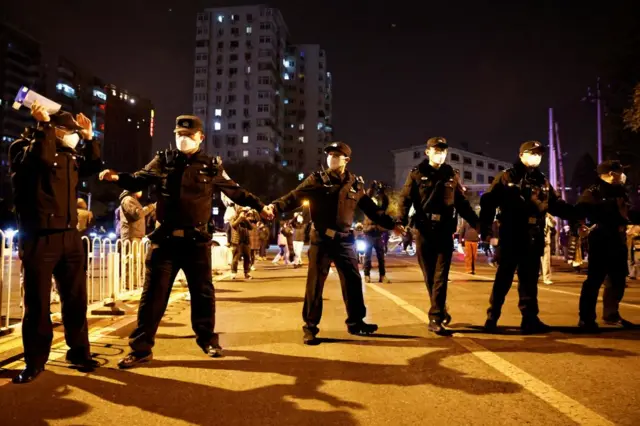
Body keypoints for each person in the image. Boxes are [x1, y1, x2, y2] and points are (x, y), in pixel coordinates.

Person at [99, 115, 273, 368]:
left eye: (189, 136)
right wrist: (116, 177)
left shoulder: (212, 165)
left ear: (200, 138)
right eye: (179, 134)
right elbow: (139, 178)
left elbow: (236, 191)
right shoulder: (163, 160)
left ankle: (207, 340)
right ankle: (141, 349)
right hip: (165, 242)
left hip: (196, 242)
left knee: (203, 294)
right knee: (152, 297)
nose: (183, 139)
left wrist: (260, 205)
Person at [268, 142, 403, 345]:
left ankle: (356, 322)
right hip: (321, 239)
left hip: (345, 240)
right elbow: (293, 197)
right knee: (315, 285)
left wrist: (392, 224)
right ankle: (310, 328)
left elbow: (371, 210)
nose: (331, 158)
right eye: (329, 154)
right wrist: (273, 208)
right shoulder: (316, 180)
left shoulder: (355, 185)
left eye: (336, 155)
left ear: (346, 160)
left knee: (353, 282)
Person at [9, 103, 102, 383]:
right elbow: (40, 160)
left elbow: (95, 166)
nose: (72, 135)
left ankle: (79, 352)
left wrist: (89, 137)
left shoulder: (69, 155)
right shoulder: (23, 147)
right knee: (37, 303)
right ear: (54, 129)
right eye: (69, 130)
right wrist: (44, 127)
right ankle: (35, 361)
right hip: (39, 236)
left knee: (76, 299)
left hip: (69, 236)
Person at [480, 141, 575, 334]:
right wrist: (486, 231)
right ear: (521, 155)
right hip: (512, 233)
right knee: (504, 278)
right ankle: (492, 317)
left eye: (539, 154)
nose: (536, 157)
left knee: (530, 280)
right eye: (532, 153)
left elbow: (555, 205)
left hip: (534, 234)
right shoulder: (507, 176)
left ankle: (530, 319)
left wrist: (577, 214)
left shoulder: (542, 180)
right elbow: (489, 203)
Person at [398, 137, 479, 335]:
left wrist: (478, 223)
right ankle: (440, 308)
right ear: (428, 152)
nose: (440, 154)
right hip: (424, 230)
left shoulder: (451, 174)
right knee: (430, 276)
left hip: (444, 230)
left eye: (443, 151)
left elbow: (461, 202)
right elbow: (405, 199)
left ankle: (435, 317)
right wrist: (400, 222)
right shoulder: (417, 174)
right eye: (436, 150)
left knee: (441, 275)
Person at [575, 160, 640, 331]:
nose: (622, 175)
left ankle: (611, 314)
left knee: (617, 279)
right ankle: (586, 319)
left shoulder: (621, 191)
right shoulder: (593, 191)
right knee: (595, 280)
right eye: (620, 172)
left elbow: (629, 212)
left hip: (618, 237)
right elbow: (579, 212)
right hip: (601, 237)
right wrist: (579, 226)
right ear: (612, 173)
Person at [363, 181, 391, 283]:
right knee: (368, 255)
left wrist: (382, 192)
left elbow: (385, 202)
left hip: (378, 233)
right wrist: (372, 187)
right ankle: (367, 275)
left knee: (381, 256)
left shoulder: (381, 209)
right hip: (369, 233)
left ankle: (382, 275)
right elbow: (367, 197)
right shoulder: (367, 207)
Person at [230, 207, 254, 279]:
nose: (244, 213)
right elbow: (233, 225)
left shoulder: (245, 219)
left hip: (246, 241)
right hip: (237, 241)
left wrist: (245, 219)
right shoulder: (233, 217)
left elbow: (251, 227)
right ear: (238, 212)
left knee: (247, 258)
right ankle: (233, 273)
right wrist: (240, 218)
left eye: (245, 212)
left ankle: (247, 273)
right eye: (243, 211)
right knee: (235, 258)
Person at [540, 213, 556, 285]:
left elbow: (553, 224)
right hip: (535, 242)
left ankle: (546, 278)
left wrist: (550, 216)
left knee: (546, 261)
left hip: (545, 242)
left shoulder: (547, 218)